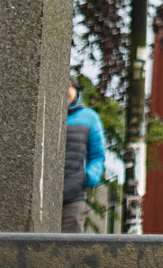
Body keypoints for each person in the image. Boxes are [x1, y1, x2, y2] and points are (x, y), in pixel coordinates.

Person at [63, 74, 107, 233]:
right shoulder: (46, 114)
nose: (66, 91)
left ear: (76, 90)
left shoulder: (90, 118)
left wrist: (89, 176)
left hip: (74, 196)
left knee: (68, 248)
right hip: (44, 196)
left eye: (69, 87)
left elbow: (98, 155)